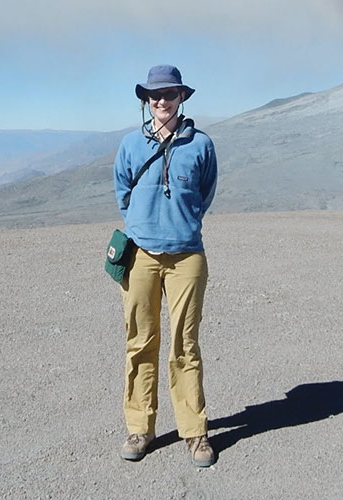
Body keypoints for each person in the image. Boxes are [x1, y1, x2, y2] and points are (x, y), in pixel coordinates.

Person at [113, 65, 218, 467]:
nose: (161, 101)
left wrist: (181, 224)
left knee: (184, 345)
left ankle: (195, 432)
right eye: (154, 95)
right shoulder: (129, 145)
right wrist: (144, 223)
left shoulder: (201, 145)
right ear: (146, 100)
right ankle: (140, 426)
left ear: (181, 98)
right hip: (140, 255)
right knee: (140, 342)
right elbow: (123, 192)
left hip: (187, 256)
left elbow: (204, 193)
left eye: (169, 94)